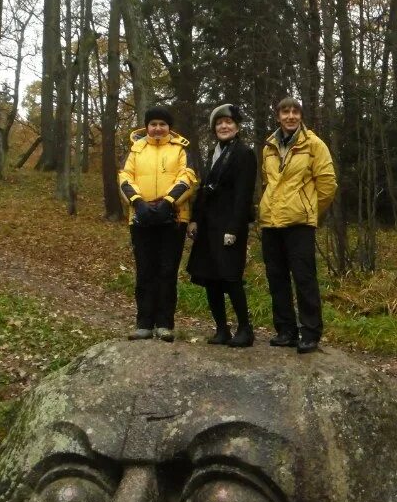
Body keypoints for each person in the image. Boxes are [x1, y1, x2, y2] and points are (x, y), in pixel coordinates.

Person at [259, 96, 337, 354]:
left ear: (301, 116)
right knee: (276, 278)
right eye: (285, 112)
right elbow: (267, 182)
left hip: (300, 223)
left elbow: (327, 185)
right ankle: (285, 330)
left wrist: (309, 209)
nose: (290, 116)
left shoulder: (314, 145)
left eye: (294, 112)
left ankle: (310, 333)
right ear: (278, 115)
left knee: (304, 279)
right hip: (271, 222)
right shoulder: (269, 146)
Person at [118, 106, 197, 342]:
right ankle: (143, 322)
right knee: (145, 270)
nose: (158, 128)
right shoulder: (136, 149)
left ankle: (164, 324)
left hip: (172, 218)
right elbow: (124, 177)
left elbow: (189, 176)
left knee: (166, 271)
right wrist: (138, 202)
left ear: (169, 127)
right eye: (153, 124)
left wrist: (169, 202)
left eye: (163, 124)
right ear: (147, 126)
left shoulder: (181, 148)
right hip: (141, 217)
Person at [187, 103, 257, 347]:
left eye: (229, 122)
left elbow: (243, 196)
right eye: (219, 123)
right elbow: (204, 190)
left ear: (237, 127)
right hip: (208, 226)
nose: (224, 126)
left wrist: (234, 229)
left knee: (230, 278)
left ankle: (245, 330)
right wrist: (194, 218)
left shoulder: (244, 154)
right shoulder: (213, 153)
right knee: (209, 276)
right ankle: (221, 329)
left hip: (228, 226)